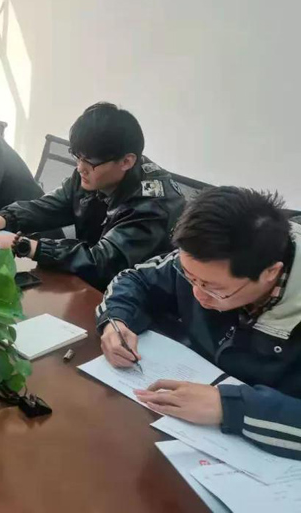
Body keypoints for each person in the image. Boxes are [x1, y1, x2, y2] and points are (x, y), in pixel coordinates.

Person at [97, 188, 301, 460]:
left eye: (214, 289)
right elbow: (136, 279)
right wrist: (116, 320)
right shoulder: (205, 263)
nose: (198, 295)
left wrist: (229, 407)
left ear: (270, 273)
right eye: (190, 278)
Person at [0, 102, 185, 289]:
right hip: (89, 283)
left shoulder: (153, 204)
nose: (80, 168)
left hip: (139, 301)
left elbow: (104, 263)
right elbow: (50, 206)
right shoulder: (91, 173)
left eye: (89, 162)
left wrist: (23, 245)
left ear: (126, 161)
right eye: (77, 157)